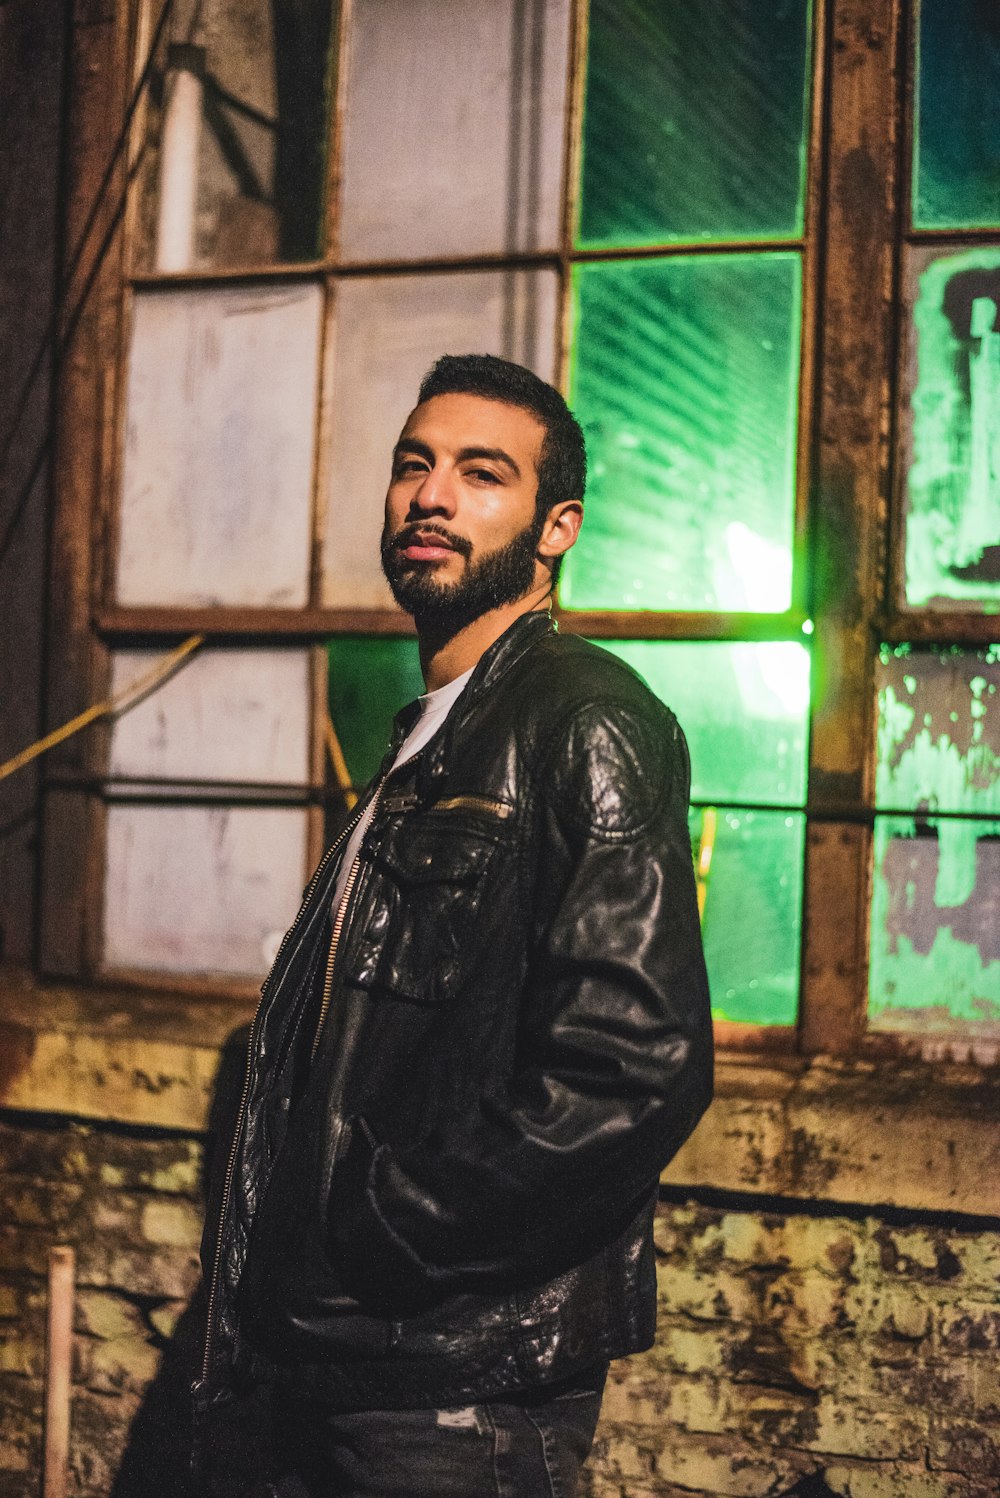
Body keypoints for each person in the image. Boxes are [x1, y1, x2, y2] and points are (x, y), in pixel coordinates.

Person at [194, 354, 713, 1497]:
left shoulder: (589, 718)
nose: (430, 495)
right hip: (338, 1367)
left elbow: (635, 1068)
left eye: (482, 474)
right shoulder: (427, 738)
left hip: (451, 1388)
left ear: (555, 526)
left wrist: (388, 1229)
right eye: (412, 466)